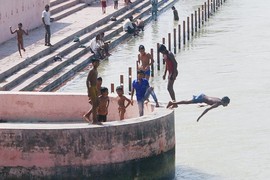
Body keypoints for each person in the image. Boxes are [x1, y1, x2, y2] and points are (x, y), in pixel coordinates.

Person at [83, 58, 102, 125]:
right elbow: (87, 80)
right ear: (93, 63)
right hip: (92, 88)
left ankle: (89, 116)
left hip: (95, 88)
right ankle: (94, 120)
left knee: (97, 103)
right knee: (94, 104)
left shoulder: (96, 71)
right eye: (96, 62)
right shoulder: (91, 71)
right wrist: (88, 90)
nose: (98, 64)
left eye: (98, 63)